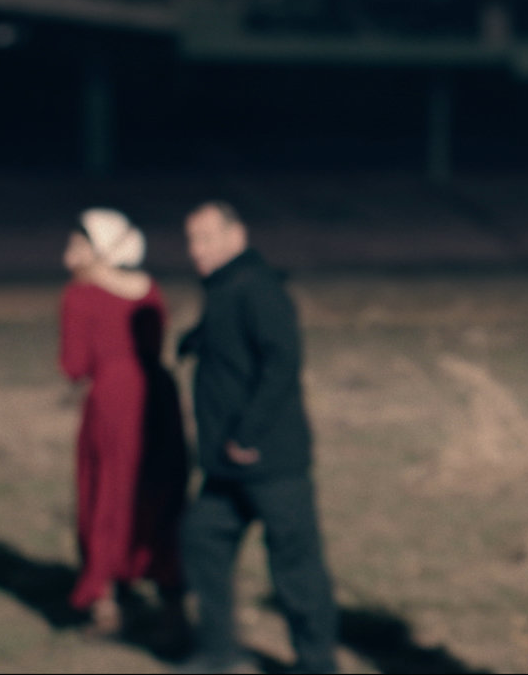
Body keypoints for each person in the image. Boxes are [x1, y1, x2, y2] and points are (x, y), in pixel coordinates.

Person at [178, 201, 337, 674]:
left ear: (236, 235)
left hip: (269, 460)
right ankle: (216, 651)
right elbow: (227, 341)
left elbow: (282, 361)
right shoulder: (226, 286)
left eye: (206, 238)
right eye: (191, 240)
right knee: (202, 540)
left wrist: (247, 433)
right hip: (226, 465)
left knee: (295, 568)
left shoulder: (258, 288)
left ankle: (316, 663)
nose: (196, 250)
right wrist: (192, 342)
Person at [59, 207, 189, 638]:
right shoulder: (149, 290)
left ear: (99, 249)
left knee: (107, 493)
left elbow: (74, 365)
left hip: (113, 405)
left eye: (78, 245)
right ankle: (170, 593)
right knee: (156, 492)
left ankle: (105, 600)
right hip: (158, 400)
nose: (68, 255)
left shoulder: (79, 297)